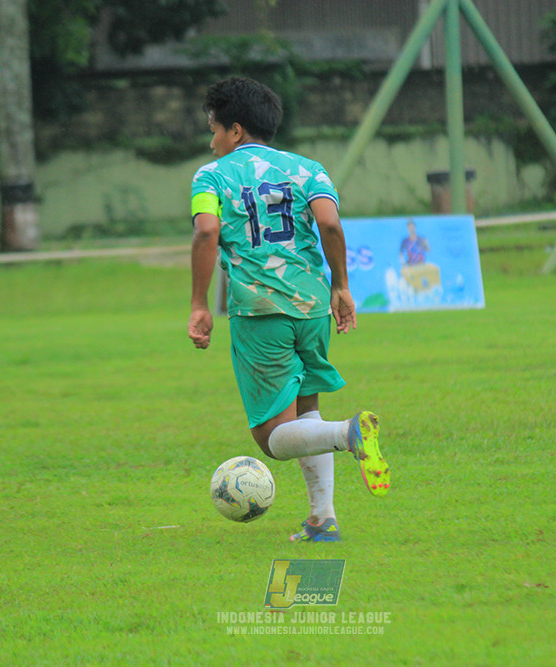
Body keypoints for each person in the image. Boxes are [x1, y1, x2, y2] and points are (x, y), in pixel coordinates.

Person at [187, 76, 390, 543]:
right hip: (312, 304)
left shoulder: (210, 176)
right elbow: (330, 224)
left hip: (260, 310)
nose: (211, 139)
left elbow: (205, 232)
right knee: (305, 414)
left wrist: (199, 304)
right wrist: (341, 286)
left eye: (214, 129)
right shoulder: (308, 169)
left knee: (272, 437)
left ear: (235, 131)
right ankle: (322, 519)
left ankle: (350, 434)